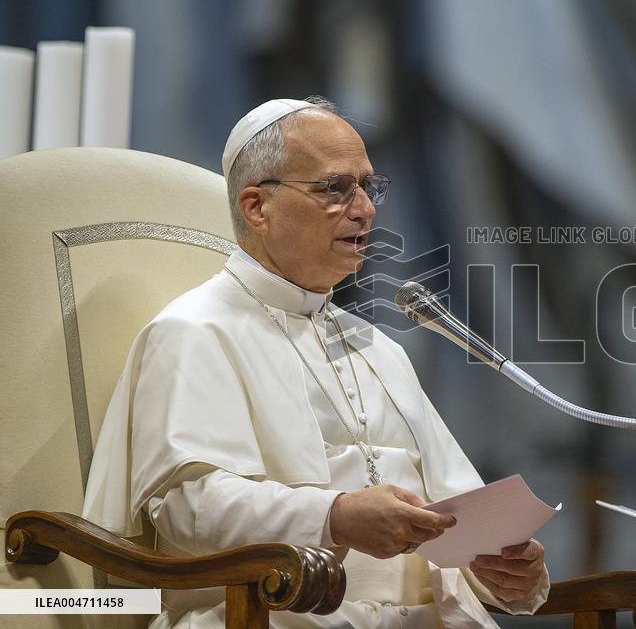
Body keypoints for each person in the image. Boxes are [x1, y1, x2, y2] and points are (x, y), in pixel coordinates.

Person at [82, 97, 549, 628]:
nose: (365, 209)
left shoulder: (379, 348)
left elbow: (457, 516)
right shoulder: (193, 332)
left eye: (368, 187)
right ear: (257, 207)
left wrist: (504, 571)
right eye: (335, 188)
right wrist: (334, 518)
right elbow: (188, 508)